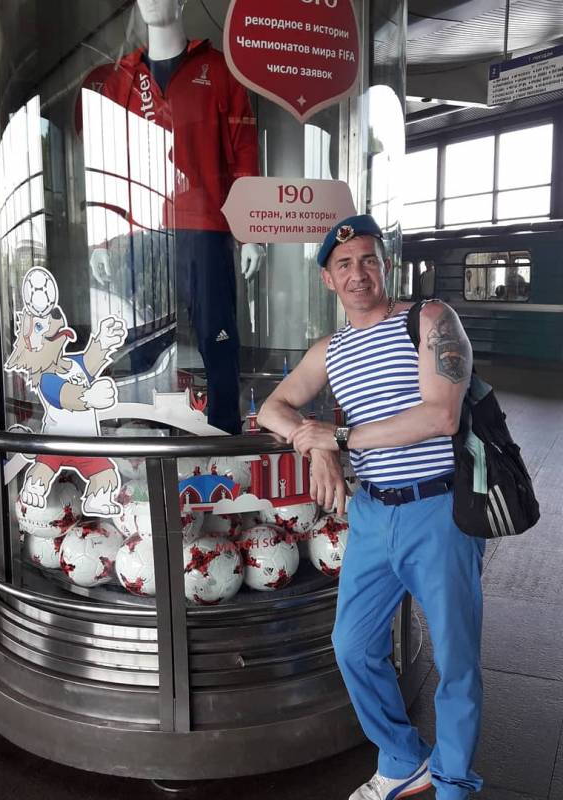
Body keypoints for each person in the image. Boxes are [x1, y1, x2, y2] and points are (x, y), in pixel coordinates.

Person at [258, 215, 484, 800]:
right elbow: (272, 408)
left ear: (385, 266)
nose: (357, 273)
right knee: (353, 646)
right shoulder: (330, 351)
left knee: (456, 658)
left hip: (438, 510)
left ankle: (454, 784)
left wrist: (337, 438)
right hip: (372, 515)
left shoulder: (429, 320)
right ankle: (404, 759)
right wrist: (313, 442)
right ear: (328, 280)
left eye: (367, 260)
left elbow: (441, 416)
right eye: (343, 265)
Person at [78, 0, 264, 433]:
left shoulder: (219, 70)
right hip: (141, 229)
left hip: (207, 226)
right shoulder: (122, 79)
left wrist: (251, 232)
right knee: (145, 336)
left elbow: (243, 153)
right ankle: (146, 433)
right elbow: (108, 163)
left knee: (217, 334)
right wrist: (102, 236)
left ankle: (224, 432)